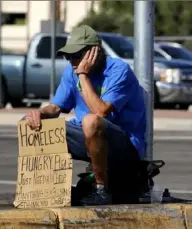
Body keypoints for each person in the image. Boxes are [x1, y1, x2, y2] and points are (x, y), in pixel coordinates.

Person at [22, 25, 146, 205]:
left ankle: (101, 190)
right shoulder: (71, 71)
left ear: (94, 53)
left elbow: (100, 112)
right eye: (68, 56)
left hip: (125, 144)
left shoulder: (119, 71)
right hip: (89, 135)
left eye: (77, 56)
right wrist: (39, 113)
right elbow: (56, 108)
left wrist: (82, 75)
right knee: (31, 125)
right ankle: (45, 189)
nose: (72, 61)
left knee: (91, 121)